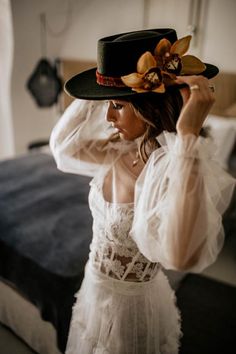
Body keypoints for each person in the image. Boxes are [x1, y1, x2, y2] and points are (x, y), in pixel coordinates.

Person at [50, 29, 235, 354]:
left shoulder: (176, 167)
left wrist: (187, 135)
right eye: (106, 104)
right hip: (93, 292)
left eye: (118, 106)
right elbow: (63, 149)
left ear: (150, 106)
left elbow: (182, 256)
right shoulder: (119, 148)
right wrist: (104, 84)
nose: (107, 117)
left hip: (132, 312)